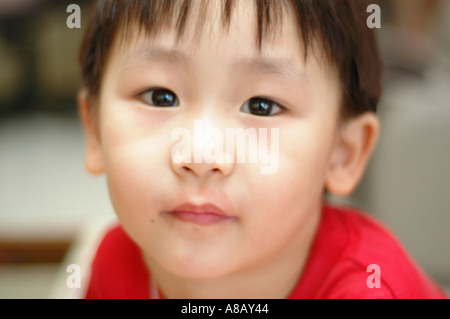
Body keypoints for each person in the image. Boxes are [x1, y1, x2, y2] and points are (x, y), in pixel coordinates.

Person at [77, 0, 447, 298]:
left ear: (343, 153)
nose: (202, 156)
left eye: (261, 106)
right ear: (94, 131)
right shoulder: (114, 265)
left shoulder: (366, 289)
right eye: (161, 97)